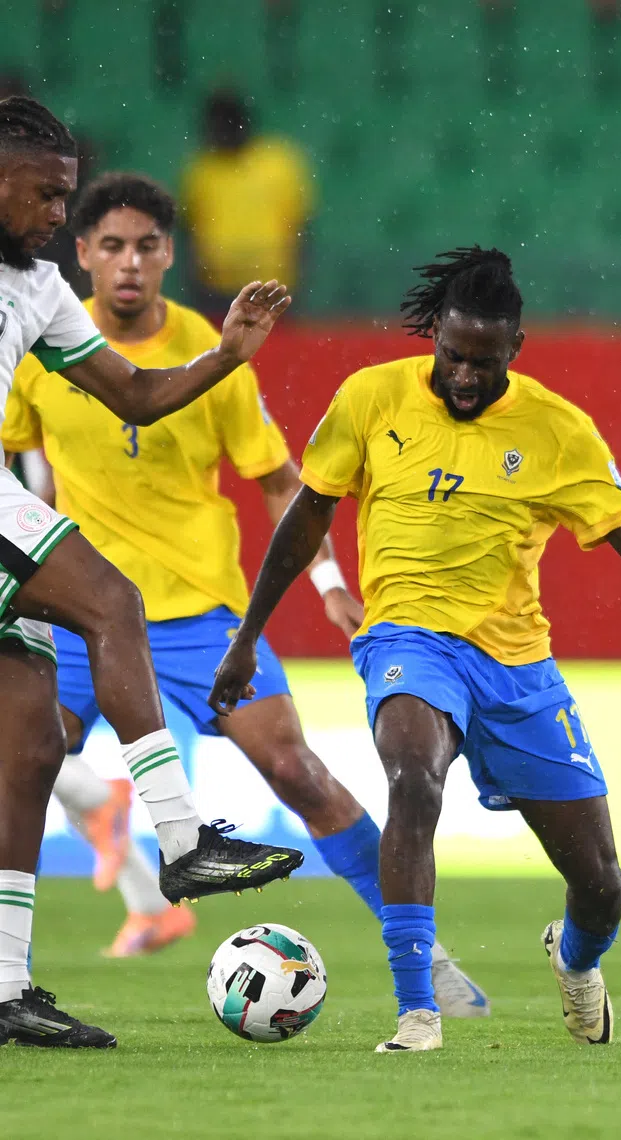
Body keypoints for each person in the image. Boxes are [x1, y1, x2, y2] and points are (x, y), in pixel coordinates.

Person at [209, 246, 621, 1053]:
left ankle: (575, 965)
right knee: (411, 775)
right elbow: (306, 520)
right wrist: (248, 636)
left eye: (485, 363)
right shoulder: (370, 398)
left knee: (600, 887)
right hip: (409, 638)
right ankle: (418, 1012)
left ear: (516, 350)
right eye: (454, 356)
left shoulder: (556, 431)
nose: (466, 377)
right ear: (435, 337)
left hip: (514, 667)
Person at [1, 171, 490, 1015]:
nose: (127, 264)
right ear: (80, 253)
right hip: (81, 616)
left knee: (298, 770)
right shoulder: (39, 338)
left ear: (168, 256)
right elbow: (23, 465)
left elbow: (277, 477)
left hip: (200, 616)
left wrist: (331, 580)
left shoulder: (207, 347)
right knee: (19, 769)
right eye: (110, 246)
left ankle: (427, 958)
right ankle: (14, 978)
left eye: (146, 247)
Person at [0, 96, 303, 1050]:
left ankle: (4, 988)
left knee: (30, 753)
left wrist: (223, 356)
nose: (58, 214)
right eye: (46, 196)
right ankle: (181, 842)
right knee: (112, 599)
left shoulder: (41, 290)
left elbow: (131, 394)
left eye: (66, 195)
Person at [181, 89, 314, 312]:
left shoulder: (279, 162)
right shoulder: (200, 169)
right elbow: (189, 231)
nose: (220, 132)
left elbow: (302, 225)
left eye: (225, 124)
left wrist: (300, 278)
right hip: (216, 288)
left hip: (272, 287)